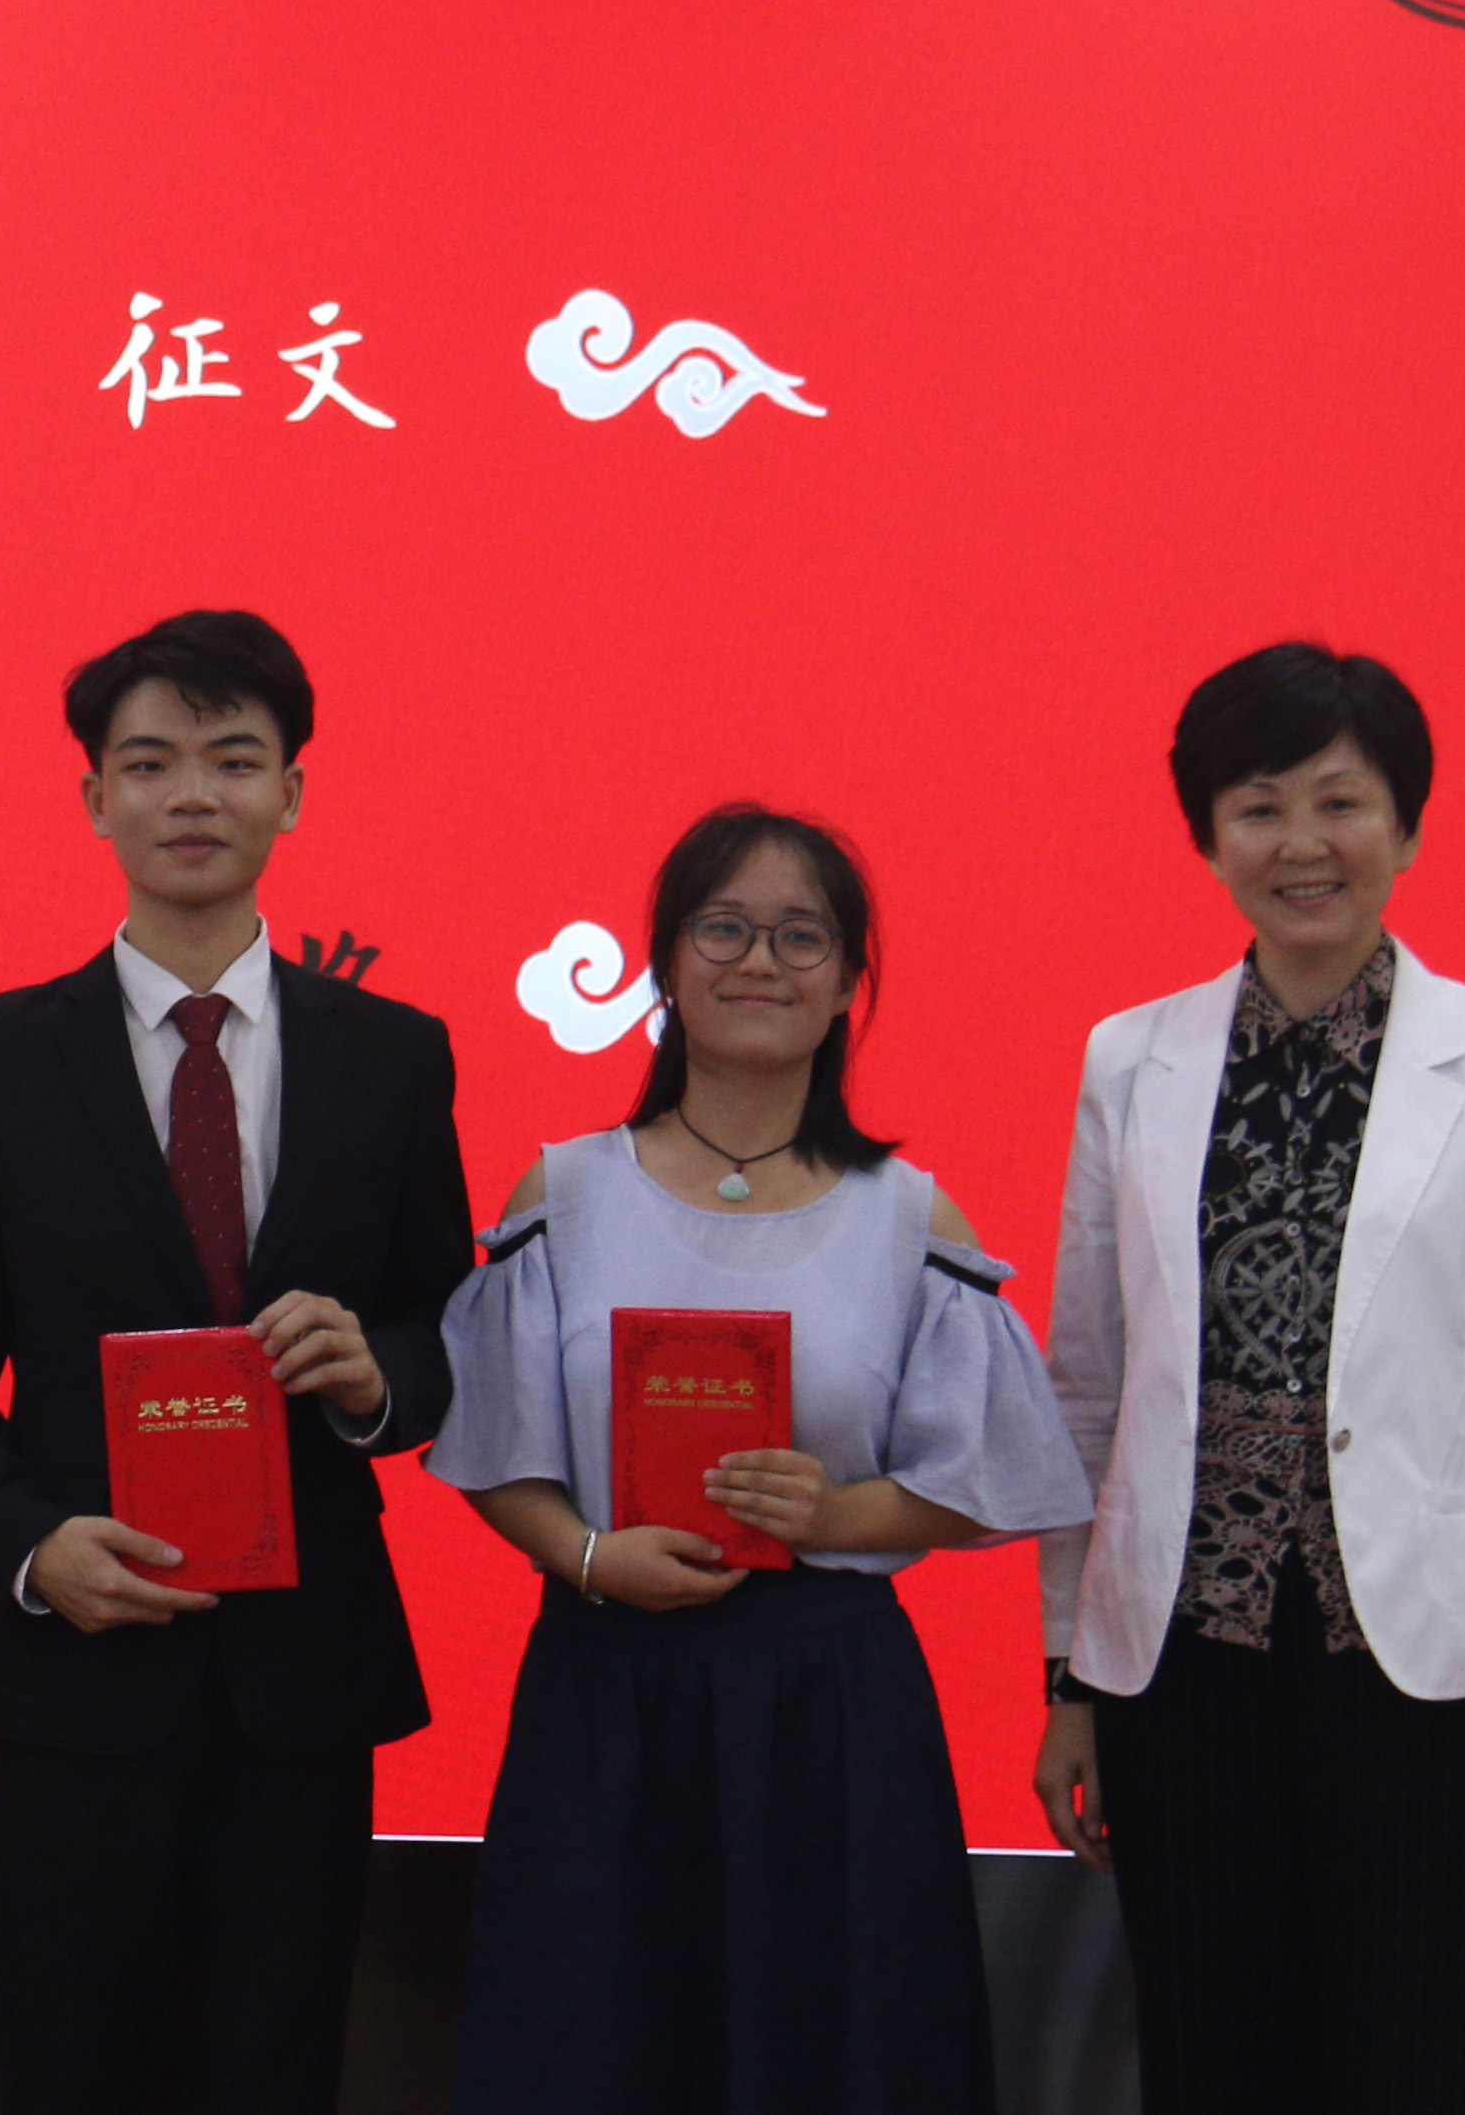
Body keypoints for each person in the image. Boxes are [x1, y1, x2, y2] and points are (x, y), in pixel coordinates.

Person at [0, 610, 478, 2115]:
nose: (192, 795)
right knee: (70, 2067)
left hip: (306, 1679)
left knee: (276, 2069)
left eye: (233, 760)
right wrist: (31, 1549)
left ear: (293, 792)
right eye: (149, 763)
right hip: (79, 1671)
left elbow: (447, 1330)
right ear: (96, 799)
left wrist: (377, 1377)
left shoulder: (391, 1056)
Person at [1027, 642, 1465, 2115]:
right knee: (1212, 2068)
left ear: (1404, 826)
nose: (1303, 844)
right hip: (1184, 1667)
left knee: (1424, 2062)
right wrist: (1072, 1677)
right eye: (1259, 808)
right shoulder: (1131, 1059)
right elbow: (1088, 1396)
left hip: (1428, 1677)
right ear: (1209, 838)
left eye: (1341, 803)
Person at [429, 804, 1090, 2115]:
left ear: (848, 983)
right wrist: (587, 1557)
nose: (759, 963)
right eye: (723, 929)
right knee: (593, 2042)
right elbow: (497, 1444)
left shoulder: (906, 1214)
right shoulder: (564, 1193)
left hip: (828, 1698)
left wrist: (840, 1513)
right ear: (666, 965)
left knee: (835, 2047)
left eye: (802, 937)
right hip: (607, 1685)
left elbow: (988, 1478)